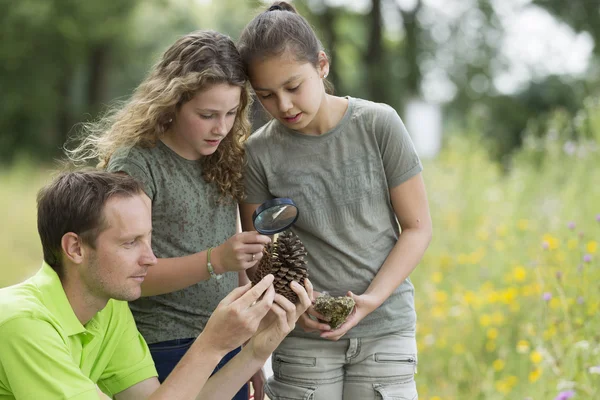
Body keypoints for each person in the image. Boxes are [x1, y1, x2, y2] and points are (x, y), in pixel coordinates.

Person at [237, 2, 433, 399]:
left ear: (322, 65)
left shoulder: (379, 124)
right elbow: (256, 257)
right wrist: (263, 335)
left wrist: (370, 301)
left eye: (293, 87)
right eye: (267, 96)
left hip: (385, 329)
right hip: (301, 335)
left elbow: (417, 228)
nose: (284, 106)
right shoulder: (257, 153)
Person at [67, 31, 270, 398]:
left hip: (227, 337)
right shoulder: (138, 163)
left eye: (230, 113)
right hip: (164, 346)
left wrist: (248, 348)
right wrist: (215, 260)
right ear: (172, 102)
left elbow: (237, 259)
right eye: (207, 115)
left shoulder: (225, 156)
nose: (221, 128)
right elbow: (125, 275)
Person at [0, 170, 312, 400]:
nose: (150, 258)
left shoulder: (107, 308)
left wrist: (256, 351)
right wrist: (211, 344)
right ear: (75, 249)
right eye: (130, 243)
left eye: (149, 239)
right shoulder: (22, 324)